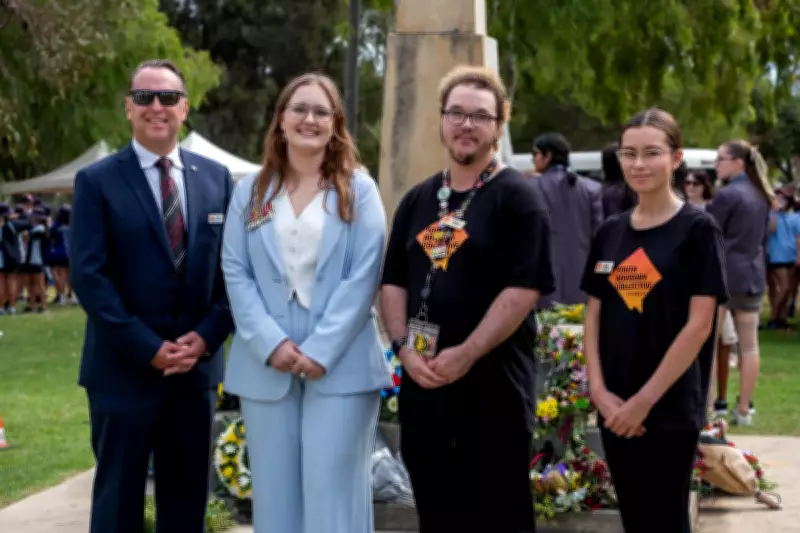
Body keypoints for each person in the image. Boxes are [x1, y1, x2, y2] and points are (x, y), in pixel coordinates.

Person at [380, 65, 555, 533]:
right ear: (441, 120)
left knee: (498, 515)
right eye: (455, 113)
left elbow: (523, 290)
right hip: (425, 389)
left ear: (499, 125)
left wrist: (467, 353)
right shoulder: (419, 199)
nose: (465, 124)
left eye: (480, 116)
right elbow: (393, 281)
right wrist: (403, 348)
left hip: (493, 391)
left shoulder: (519, 198)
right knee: (437, 514)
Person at [221, 73, 391, 533]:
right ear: (280, 119)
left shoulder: (359, 191)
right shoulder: (250, 194)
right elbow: (236, 271)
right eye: (299, 109)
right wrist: (269, 343)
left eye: (321, 111)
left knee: (332, 491)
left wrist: (322, 348)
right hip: (266, 363)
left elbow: (365, 274)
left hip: (342, 362)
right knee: (274, 497)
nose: (309, 119)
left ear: (336, 124)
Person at [70, 59, 234, 533]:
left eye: (168, 97)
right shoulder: (96, 181)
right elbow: (89, 277)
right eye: (145, 97)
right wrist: (149, 349)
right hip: (122, 374)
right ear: (129, 108)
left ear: (185, 107)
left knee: (185, 505)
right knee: (118, 505)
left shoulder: (217, 179)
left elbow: (233, 274)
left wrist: (204, 339)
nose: (156, 107)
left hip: (193, 375)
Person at [581, 108, 727, 533]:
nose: (638, 164)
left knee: (664, 519)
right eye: (629, 154)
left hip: (667, 408)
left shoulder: (697, 231)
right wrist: (599, 391)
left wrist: (643, 401)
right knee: (635, 518)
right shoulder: (611, 231)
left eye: (651, 153)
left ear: (676, 158)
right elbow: (595, 311)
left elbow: (700, 325)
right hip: (614, 406)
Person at [707, 140, 773, 426]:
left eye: (720, 159)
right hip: (752, 274)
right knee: (749, 346)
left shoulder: (728, 195)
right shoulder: (762, 194)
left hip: (722, 275)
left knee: (707, 344)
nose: (716, 164)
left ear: (737, 162)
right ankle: (744, 409)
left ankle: (708, 409)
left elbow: (707, 233)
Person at [531, 132, 603, 308]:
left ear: (547, 156)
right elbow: (600, 236)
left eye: (535, 154)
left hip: (541, 286)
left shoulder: (529, 189)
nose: (533, 159)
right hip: (582, 284)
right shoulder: (591, 189)